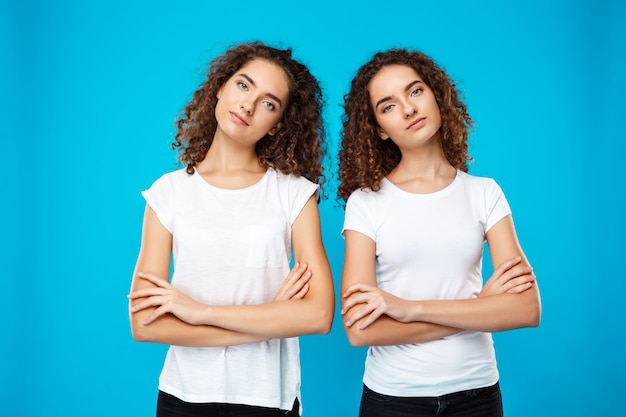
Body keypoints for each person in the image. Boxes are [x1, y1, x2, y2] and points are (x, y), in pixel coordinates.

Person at [128, 42, 334, 417]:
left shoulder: (294, 194)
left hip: (269, 399)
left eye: (269, 103)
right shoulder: (167, 193)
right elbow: (144, 323)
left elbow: (319, 316)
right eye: (244, 85)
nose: (249, 105)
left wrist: (197, 311)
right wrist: (270, 320)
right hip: (183, 397)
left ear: (279, 123)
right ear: (221, 86)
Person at [338, 48, 542, 417]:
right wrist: (478, 309)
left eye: (414, 91)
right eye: (388, 106)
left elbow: (526, 309)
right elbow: (360, 330)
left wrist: (407, 309)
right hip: (393, 398)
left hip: (476, 394)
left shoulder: (484, 193)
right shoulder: (365, 203)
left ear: (435, 95)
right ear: (380, 130)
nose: (408, 108)